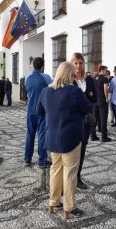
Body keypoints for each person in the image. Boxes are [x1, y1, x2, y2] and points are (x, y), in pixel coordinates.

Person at [38, 61, 90, 220]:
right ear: (69, 75)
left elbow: (39, 112)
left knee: (55, 170)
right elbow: (87, 109)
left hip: (52, 138)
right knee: (70, 173)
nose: (75, 77)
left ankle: (53, 202)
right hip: (71, 139)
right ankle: (70, 206)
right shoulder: (74, 91)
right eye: (73, 74)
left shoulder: (45, 91)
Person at [71, 53, 97, 190]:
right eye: (75, 63)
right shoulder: (69, 80)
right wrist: (87, 95)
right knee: (71, 149)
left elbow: (95, 98)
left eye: (80, 63)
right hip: (73, 120)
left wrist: (86, 96)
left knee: (82, 148)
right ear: (71, 64)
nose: (78, 65)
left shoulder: (90, 80)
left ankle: (78, 177)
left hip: (86, 120)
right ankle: (69, 178)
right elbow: (70, 100)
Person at [24, 57, 53, 168]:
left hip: (30, 110)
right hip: (42, 111)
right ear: (43, 67)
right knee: (42, 135)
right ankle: (42, 160)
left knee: (30, 135)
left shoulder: (28, 77)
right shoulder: (46, 77)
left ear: (33, 65)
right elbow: (52, 89)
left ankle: (27, 159)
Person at [95, 66, 112, 142]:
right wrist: (106, 98)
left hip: (95, 101)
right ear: (101, 70)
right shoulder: (105, 78)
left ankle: (93, 135)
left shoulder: (94, 78)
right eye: (105, 70)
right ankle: (104, 137)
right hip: (102, 101)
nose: (106, 71)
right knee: (103, 118)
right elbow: (106, 89)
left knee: (95, 118)